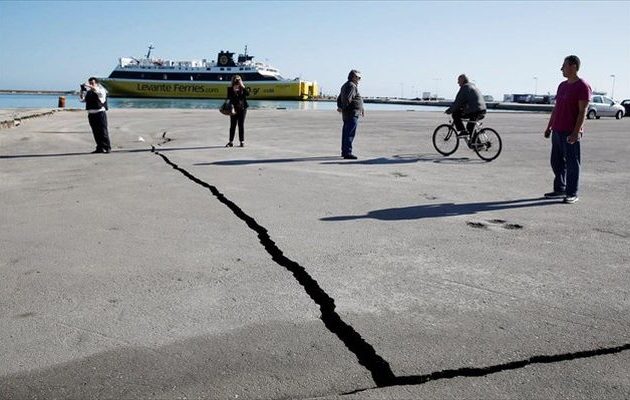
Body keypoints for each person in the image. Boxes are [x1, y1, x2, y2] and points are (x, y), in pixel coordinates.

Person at [543, 55, 591, 204]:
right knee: (556, 162)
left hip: (570, 131)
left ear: (573, 66)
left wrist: (576, 132)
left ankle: (572, 193)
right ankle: (560, 189)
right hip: (557, 130)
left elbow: (583, 112)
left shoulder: (582, 86)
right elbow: (556, 108)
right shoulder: (562, 86)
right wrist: (549, 126)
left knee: (572, 163)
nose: (561, 69)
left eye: (563, 66)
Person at [445, 74, 487, 143]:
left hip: (475, 111)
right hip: (482, 110)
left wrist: (450, 110)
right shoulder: (473, 86)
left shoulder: (465, 88)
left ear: (462, 80)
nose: (458, 83)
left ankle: (462, 131)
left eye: (459, 81)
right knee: (471, 127)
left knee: (455, 114)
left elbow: (457, 102)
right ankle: (478, 144)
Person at [337, 69, 364, 159]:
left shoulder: (345, 85)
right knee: (349, 133)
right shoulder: (352, 86)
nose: (359, 80)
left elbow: (339, 98)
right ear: (353, 77)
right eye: (358, 78)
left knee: (346, 132)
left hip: (348, 113)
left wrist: (340, 107)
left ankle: (345, 151)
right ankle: (347, 152)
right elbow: (348, 99)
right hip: (351, 113)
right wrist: (343, 108)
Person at [79, 77, 111, 153]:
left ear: (97, 83)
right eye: (90, 83)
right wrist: (82, 90)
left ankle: (107, 147)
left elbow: (96, 90)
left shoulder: (101, 90)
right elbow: (82, 99)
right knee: (95, 132)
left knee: (103, 131)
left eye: (92, 83)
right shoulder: (89, 92)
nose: (90, 85)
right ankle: (99, 147)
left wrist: (88, 86)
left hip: (100, 113)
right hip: (91, 114)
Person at [225, 75, 250, 147]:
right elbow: (229, 98)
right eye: (235, 80)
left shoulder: (242, 88)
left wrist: (242, 85)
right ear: (232, 80)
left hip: (243, 109)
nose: (237, 81)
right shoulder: (230, 89)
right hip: (233, 108)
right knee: (232, 125)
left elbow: (248, 94)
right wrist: (233, 89)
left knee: (241, 125)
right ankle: (230, 142)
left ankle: (242, 141)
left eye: (238, 80)